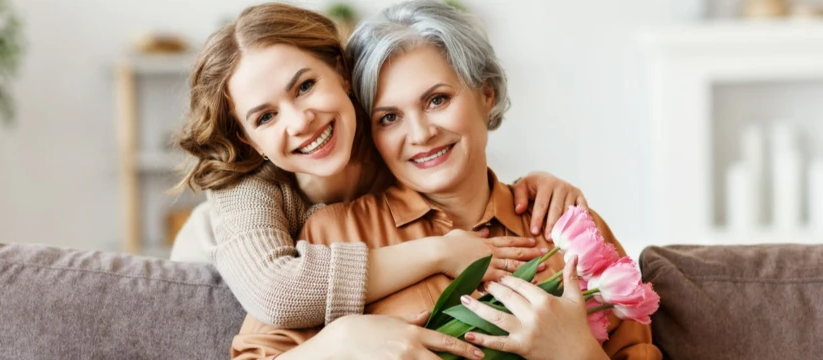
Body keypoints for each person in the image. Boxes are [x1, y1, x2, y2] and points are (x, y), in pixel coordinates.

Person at [230, 1, 661, 359]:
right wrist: (340, 342)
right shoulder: (333, 233)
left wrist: (578, 354)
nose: (420, 134)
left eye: (437, 99)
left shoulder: (567, 232)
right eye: (390, 117)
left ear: (486, 93)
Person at [174, 2, 589, 329]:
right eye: (265, 117)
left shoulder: (389, 138)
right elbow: (279, 293)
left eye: (304, 86)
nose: (300, 122)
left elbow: (457, 167)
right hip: (216, 280)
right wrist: (441, 252)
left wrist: (531, 185)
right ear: (248, 138)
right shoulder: (247, 188)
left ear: (341, 73)